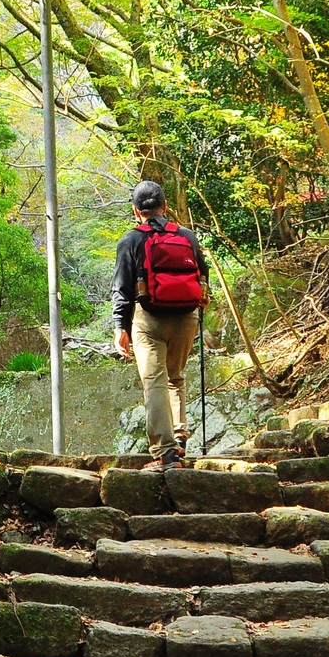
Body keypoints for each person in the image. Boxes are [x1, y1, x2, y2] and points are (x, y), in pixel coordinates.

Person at [112, 181, 210, 466]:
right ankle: (180, 436)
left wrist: (121, 326)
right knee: (175, 377)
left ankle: (165, 451)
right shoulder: (188, 237)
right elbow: (202, 275)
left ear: (135, 210)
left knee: (154, 382)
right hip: (186, 317)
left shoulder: (130, 240)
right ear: (165, 207)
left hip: (148, 318)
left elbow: (122, 287)